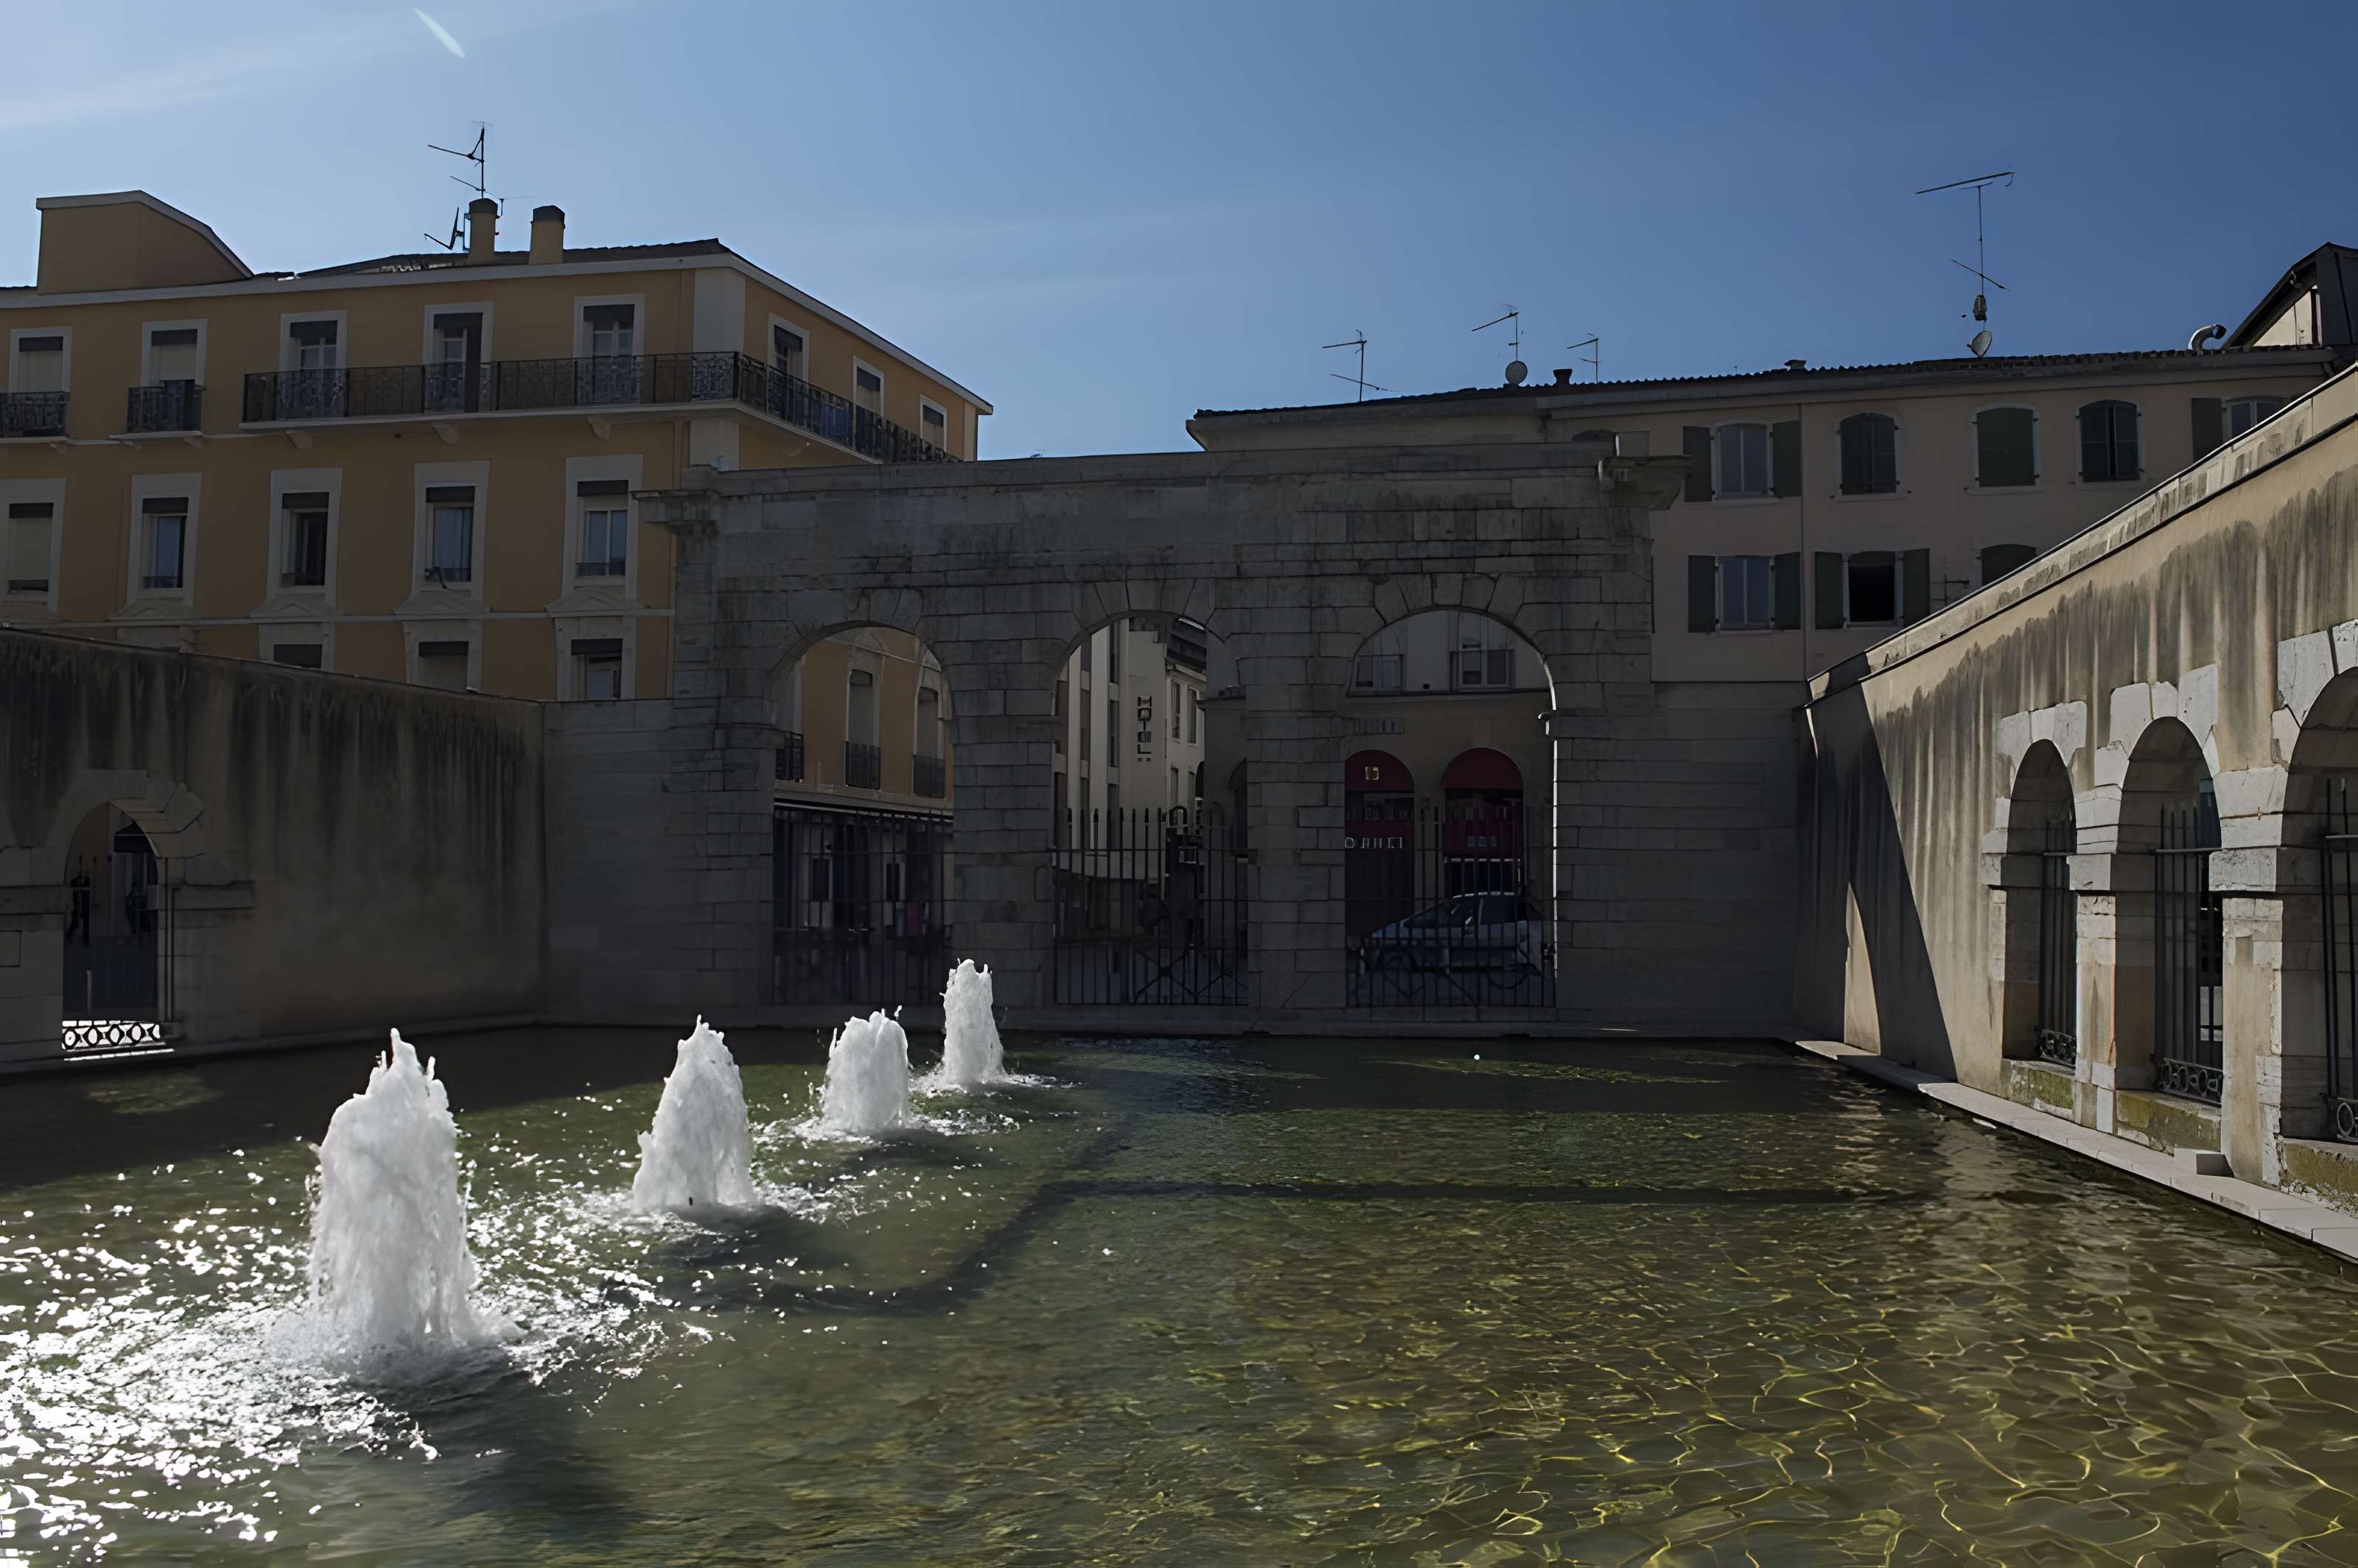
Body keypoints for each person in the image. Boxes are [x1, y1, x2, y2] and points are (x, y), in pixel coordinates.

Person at [65, 864, 91, 944]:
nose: (82, 874)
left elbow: (88, 889)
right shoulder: (74, 881)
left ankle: (85, 939)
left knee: (86, 922)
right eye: (81, 873)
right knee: (75, 922)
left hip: (84, 904)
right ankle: (68, 936)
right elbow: (73, 891)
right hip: (76, 904)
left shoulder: (88, 880)